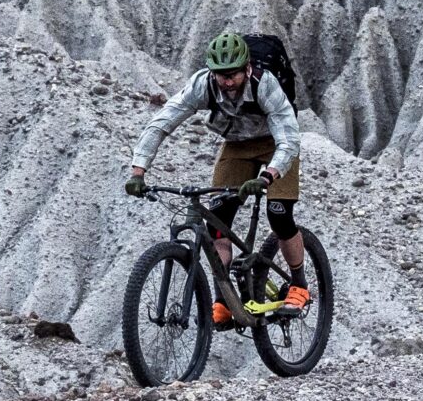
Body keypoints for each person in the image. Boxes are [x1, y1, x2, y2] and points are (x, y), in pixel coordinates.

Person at [127, 31, 309, 324]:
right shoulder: (203, 85)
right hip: (236, 145)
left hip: (276, 144)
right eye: (220, 75)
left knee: (279, 214)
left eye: (233, 75)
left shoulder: (265, 85)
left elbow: (288, 140)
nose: (226, 81)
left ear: (247, 68)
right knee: (217, 224)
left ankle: (299, 283)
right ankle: (223, 301)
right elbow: (163, 122)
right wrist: (139, 170)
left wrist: (268, 176)